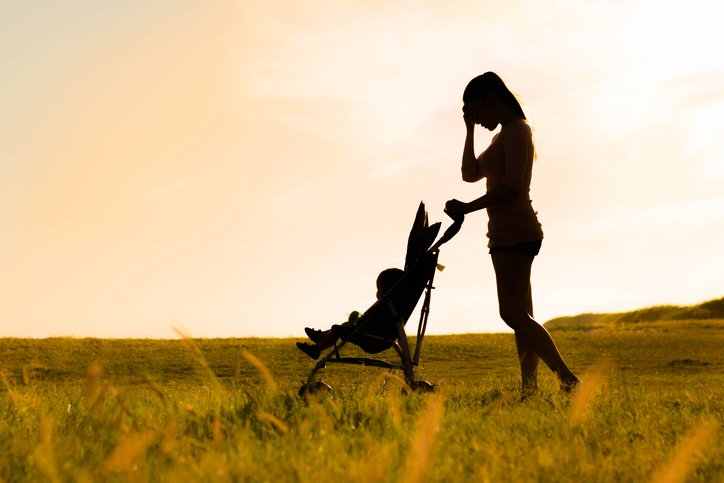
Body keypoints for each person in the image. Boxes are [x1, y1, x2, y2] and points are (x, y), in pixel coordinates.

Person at [445, 72, 581, 392]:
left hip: (517, 231)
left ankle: (567, 379)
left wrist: (466, 208)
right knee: (522, 316)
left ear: (493, 99)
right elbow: (469, 173)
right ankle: (530, 389)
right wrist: (468, 130)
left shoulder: (518, 130)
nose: (476, 121)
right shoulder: (500, 136)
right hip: (505, 233)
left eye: (476, 112)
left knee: (512, 313)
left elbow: (512, 186)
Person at [297, 268, 405, 360]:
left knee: (338, 330)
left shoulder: (387, 306)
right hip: (377, 336)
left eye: (378, 289)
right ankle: (321, 336)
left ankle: (316, 349)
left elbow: (376, 323)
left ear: (387, 290)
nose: (376, 292)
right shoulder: (394, 307)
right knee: (345, 325)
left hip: (374, 339)